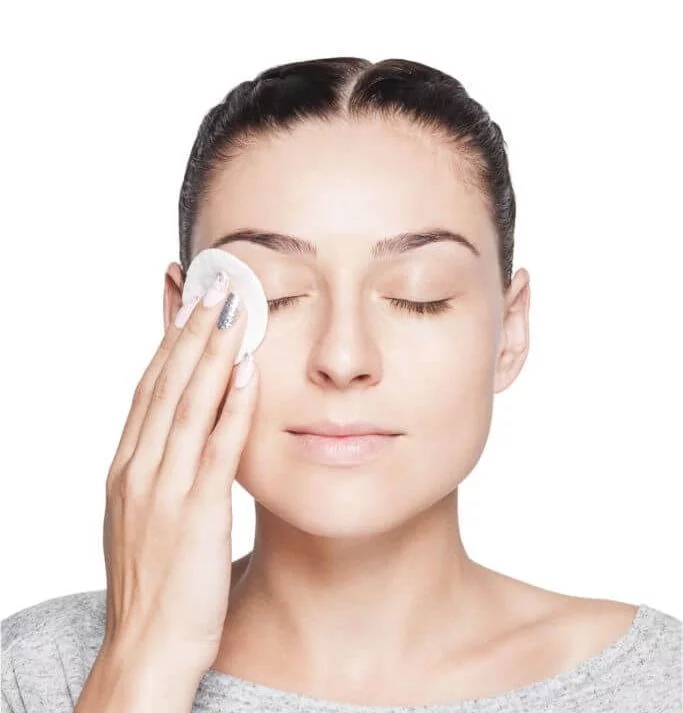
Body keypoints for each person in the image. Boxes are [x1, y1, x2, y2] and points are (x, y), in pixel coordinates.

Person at [2, 56, 681, 713]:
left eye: (419, 296)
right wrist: (142, 663)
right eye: (274, 294)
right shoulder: (40, 672)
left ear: (510, 331)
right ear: (183, 320)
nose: (343, 356)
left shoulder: (658, 685)